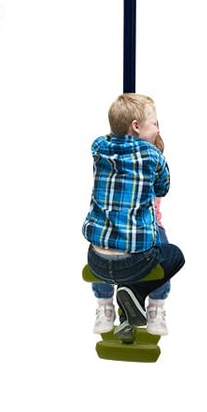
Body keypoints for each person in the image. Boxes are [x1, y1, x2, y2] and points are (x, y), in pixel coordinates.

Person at [82, 94, 186, 341]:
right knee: (173, 255)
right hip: (135, 260)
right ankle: (139, 296)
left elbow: (110, 137)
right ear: (137, 126)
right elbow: (162, 188)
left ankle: (109, 310)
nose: (158, 128)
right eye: (155, 123)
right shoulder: (153, 156)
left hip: (96, 260)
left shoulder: (98, 147)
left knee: (106, 243)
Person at [89, 124, 172, 335]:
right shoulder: (117, 166)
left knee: (164, 255)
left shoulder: (153, 168)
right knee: (101, 246)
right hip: (117, 223)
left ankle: (156, 307)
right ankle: (105, 305)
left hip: (148, 227)